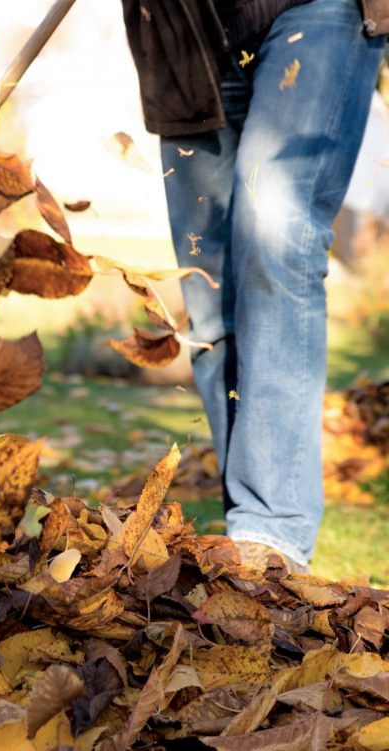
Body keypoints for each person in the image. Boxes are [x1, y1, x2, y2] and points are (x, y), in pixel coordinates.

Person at [120, 0, 388, 573]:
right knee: (208, 289)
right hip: (181, 34)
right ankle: (248, 530)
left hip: (319, 11)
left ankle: (273, 529)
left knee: (277, 232)